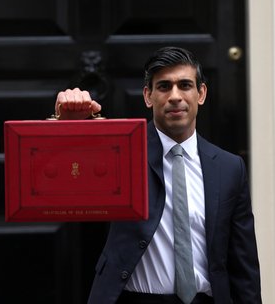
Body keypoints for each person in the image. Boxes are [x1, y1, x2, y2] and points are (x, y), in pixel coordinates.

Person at [55, 47, 261, 304]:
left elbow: (243, 264)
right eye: (164, 87)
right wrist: (67, 127)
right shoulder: (120, 154)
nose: (175, 96)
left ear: (201, 94)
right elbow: (60, 185)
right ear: (148, 96)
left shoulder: (230, 168)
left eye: (185, 85)